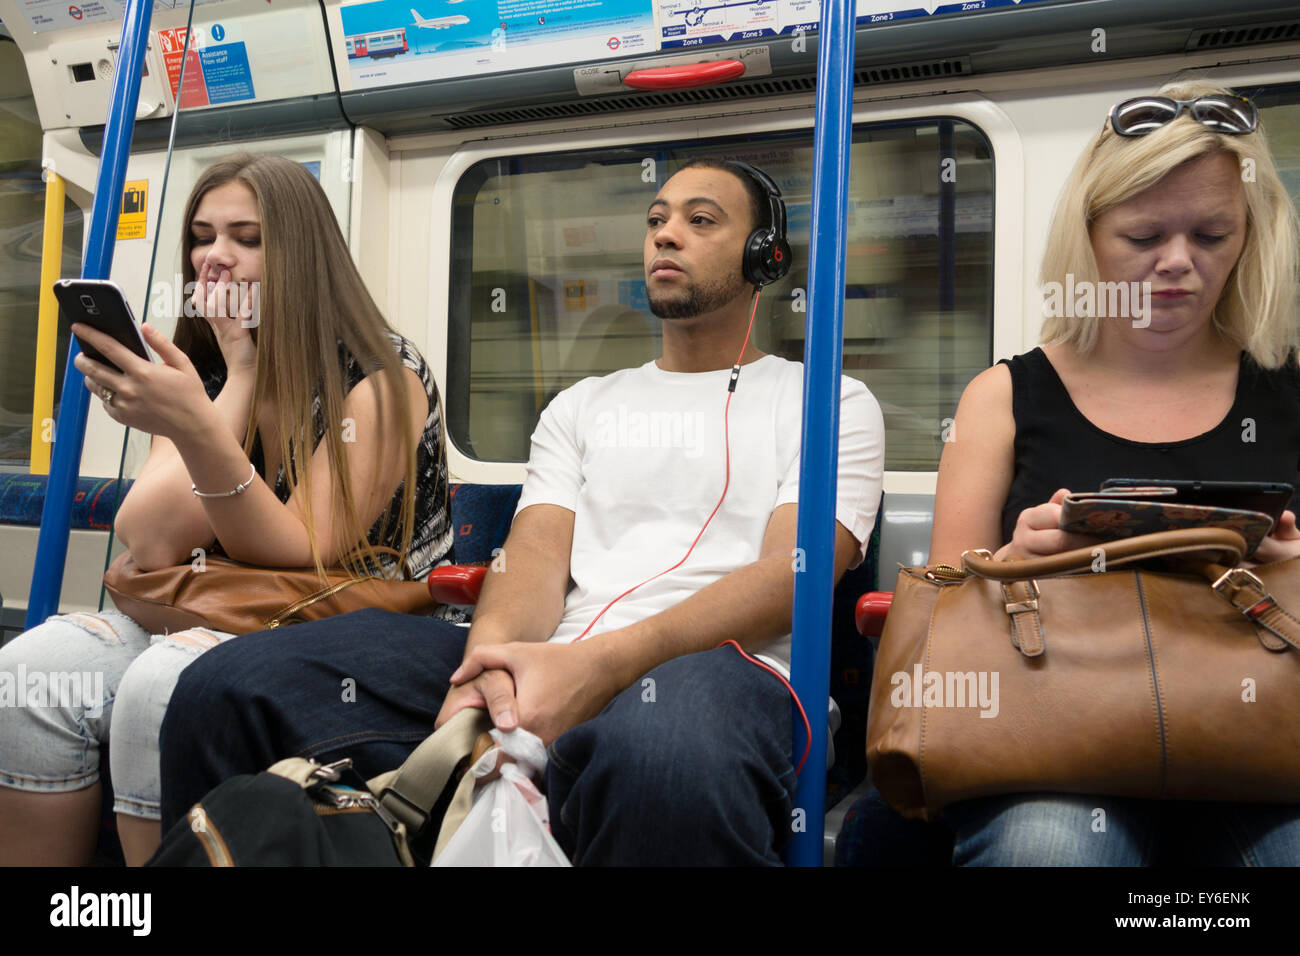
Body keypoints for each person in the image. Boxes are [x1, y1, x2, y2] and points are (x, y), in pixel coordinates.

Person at [155, 158, 886, 865]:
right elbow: (532, 558)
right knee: (225, 688)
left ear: (765, 257)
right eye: (657, 218)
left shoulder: (828, 402)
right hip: (554, 651)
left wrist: (599, 665)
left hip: (729, 669)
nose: (665, 234)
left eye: (701, 221)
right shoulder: (585, 405)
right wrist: (490, 663)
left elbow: (791, 576)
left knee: (660, 754)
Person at [0, 154, 452, 867]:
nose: (216, 258)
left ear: (299, 255)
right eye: (202, 237)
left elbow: (302, 547)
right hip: (221, 608)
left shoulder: (381, 373)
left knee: (160, 686)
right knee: (27, 677)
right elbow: (148, 542)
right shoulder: (206, 370)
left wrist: (199, 426)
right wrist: (234, 379)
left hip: (354, 624)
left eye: (246, 237)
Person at [929, 81, 1300, 866]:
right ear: (1088, 236)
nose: (1177, 264)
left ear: (1250, 237)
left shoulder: (1290, 389)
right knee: (1047, 852)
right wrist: (1012, 563)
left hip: (1262, 737)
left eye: (1211, 235)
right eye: (1142, 237)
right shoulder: (1000, 398)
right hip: (1058, 737)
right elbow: (936, 614)